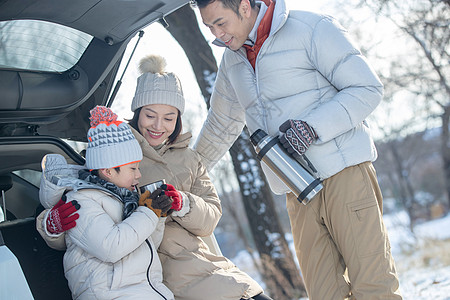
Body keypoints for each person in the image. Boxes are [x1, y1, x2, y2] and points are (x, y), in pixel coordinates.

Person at [190, 0, 403, 299]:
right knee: (324, 293)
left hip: (345, 176)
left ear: (244, 7)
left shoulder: (311, 28)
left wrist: (312, 127)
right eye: (209, 27)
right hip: (297, 190)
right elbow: (221, 125)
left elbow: (367, 88)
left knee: (373, 287)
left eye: (220, 23)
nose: (217, 35)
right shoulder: (232, 63)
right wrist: (183, 173)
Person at [37, 54, 272, 300]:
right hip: (144, 270)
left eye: (169, 118)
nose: (158, 125)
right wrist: (50, 227)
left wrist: (183, 203)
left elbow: (210, 220)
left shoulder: (190, 159)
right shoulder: (112, 153)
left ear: (178, 118)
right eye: (150, 115)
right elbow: (81, 210)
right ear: (137, 112)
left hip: (197, 261)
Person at [38, 106, 175, 299]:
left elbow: (146, 245)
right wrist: (149, 213)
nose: (139, 174)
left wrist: (159, 215)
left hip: (149, 290)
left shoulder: (125, 197)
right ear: (108, 171)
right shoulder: (80, 201)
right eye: (133, 169)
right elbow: (111, 248)